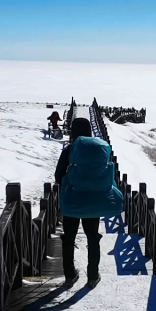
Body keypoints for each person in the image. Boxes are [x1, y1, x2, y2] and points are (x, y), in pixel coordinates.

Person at [54, 118, 123, 288]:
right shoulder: (99, 150)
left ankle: (69, 276)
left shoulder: (70, 150)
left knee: (68, 238)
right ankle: (93, 276)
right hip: (94, 201)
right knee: (93, 238)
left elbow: (58, 176)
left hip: (72, 200)